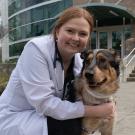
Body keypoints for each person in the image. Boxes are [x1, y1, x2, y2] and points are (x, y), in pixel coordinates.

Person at [0, 7, 116, 135]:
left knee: (80, 123)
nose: (76, 38)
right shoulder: (36, 50)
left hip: (49, 115)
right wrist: (95, 111)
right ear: (57, 31)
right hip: (18, 118)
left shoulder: (78, 60)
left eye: (82, 34)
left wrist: (106, 104)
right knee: (71, 127)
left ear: (88, 38)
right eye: (70, 31)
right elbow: (44, 103)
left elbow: (81, 95)